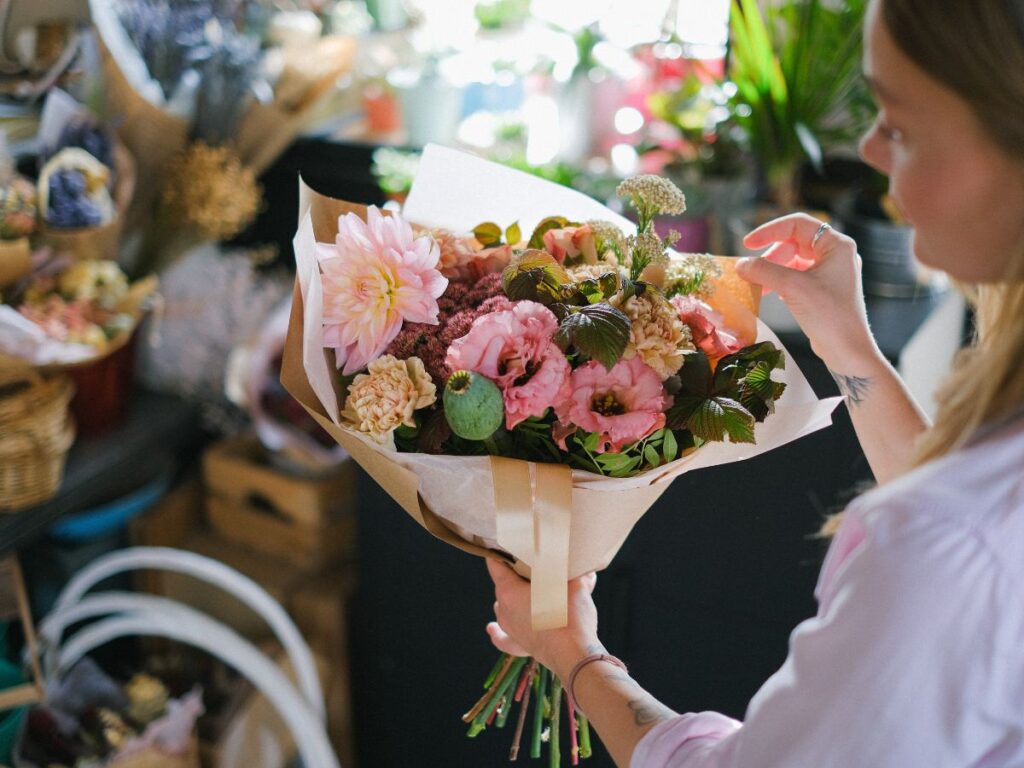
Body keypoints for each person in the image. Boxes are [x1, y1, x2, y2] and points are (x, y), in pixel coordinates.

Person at [486, 0, 1024, 764]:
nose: (869, 149)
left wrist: (574, 656)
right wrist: (846, 338)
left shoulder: (937, 541)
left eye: (900, 125)